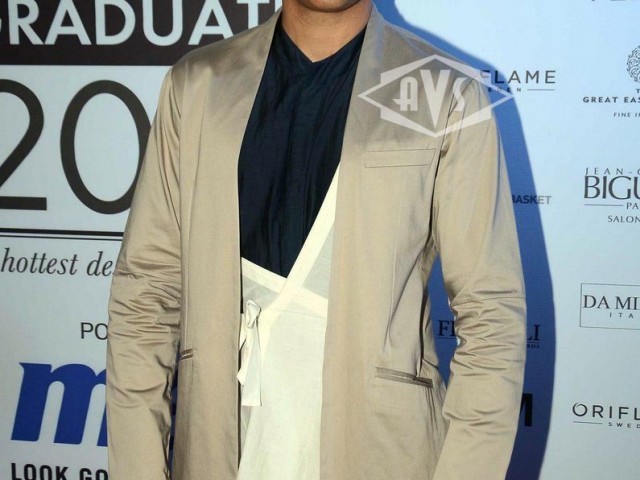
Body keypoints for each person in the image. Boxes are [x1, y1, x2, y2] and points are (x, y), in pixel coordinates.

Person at [106, 1, 526, 479]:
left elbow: (492, 314)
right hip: (216, 448)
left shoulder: (445, 91)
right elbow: (145, 296)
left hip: (383, 453)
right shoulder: (198, 84)